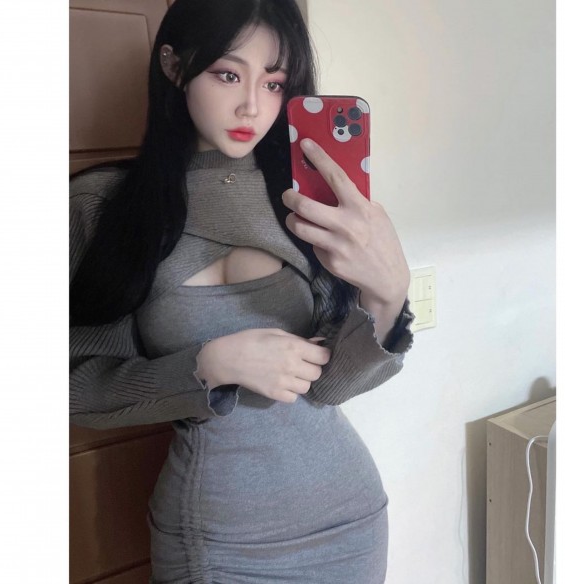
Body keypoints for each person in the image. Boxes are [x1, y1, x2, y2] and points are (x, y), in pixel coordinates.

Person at [70, 0, 414, 582]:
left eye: (274, 83)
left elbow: (332, 387)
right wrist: (207, 366)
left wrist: (389, 294)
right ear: (174, 66)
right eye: (228, 74)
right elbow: (74, 390)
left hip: (347, 520)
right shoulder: (104, 208)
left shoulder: (307, 202)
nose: (253, 106)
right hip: (217, 540)